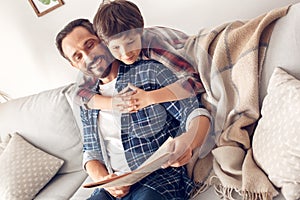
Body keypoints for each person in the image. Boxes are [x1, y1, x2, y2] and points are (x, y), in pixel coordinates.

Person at [56, 19, 211, 200]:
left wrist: (188, 142)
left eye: (89, 45)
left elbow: (195, 113)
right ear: (74, 65)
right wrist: (105, 181)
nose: (88, 57)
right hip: (113, 187)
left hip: (158, 178)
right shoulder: (87, 100)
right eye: (78, 56)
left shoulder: (148, 73)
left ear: (104, 40)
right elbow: (91, 152)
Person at [73, 0, 204, 113]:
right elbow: (79, 94)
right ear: (105, 44)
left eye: (131, 42)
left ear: (140, 33)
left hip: (181, 47)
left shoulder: (152, 44)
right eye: (116, 48)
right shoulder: (104, 52)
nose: (126, 53)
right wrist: (112, 103)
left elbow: (196, 81)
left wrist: (150, 97)